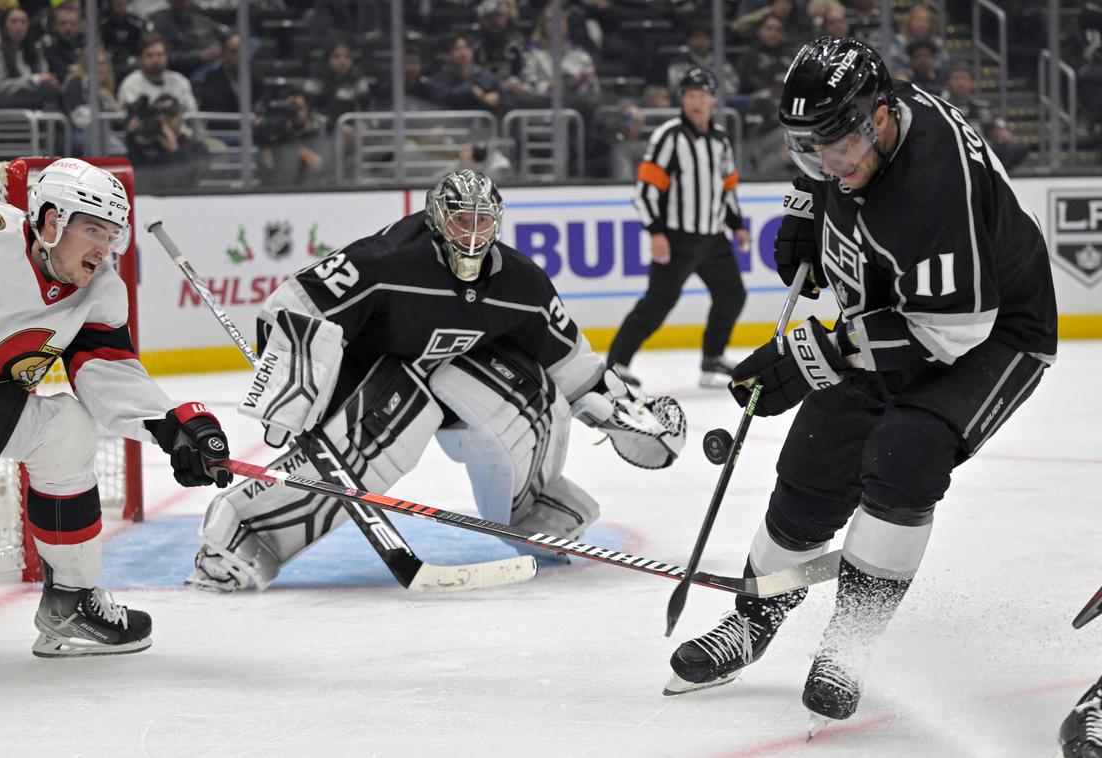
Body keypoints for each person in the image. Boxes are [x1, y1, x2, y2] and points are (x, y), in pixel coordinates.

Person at [665, 37, 1056, 731]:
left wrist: (817, 354)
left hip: (991, 333)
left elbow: (949, 332)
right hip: (895, 307)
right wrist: (805, 203)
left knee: (906, 452)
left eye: (834, 147)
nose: (826, 163)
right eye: (805, 148)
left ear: (879, 119)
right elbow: (827, 163)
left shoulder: (934, 189)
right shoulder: (856, 129)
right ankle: (755, 617)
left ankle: (850, 643)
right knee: (815, 452)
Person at [183, 168, 686, 592]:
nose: (471, 234)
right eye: (460, 220)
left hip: (454, 383)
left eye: (482, 221)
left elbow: (573, 365)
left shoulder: (523, 283)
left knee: (537, 395)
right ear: (436, 219)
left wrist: (625, 415)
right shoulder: (385, 261)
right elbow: (294, 308)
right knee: (395, 413)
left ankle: (533, 509)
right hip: (370, 380)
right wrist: (296, 395)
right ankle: (243, 533)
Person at [0, 158, 232, 656]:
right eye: (93, 229)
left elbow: (108, 373)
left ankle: (70, 606)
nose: (104, 248)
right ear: (52, 221)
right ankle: (71, 604)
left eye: (113, 234)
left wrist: (174, 425)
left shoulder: (98, 291)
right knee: (62, 432)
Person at [608, 67, 750, 388]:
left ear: (713, 100)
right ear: (682, 100)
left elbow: (726, 189)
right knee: (658, 303)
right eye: (689, 96)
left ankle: (712, 359)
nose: (696, 102)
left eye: (701, 96)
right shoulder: (669, 137)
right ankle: (617, 363)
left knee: (732, 295)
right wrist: (656, 232)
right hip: (677, 238)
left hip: (713, 238)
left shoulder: (721, 141)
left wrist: (737, 226)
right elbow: (646, 190)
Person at [0, 6, 62, 110]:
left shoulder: (34, 50)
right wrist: (33, 80)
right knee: (46, 94)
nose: (19, 26)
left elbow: (43, 75)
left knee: (54, 91)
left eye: (23, 22)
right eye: (13, 22)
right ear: (4, 25)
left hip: (28, 98)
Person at [124, 93, 210, 193]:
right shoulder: (146, 147)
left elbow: (192, 180)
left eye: (169, 116)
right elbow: (134, 177)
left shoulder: (196, 148)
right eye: (158, 117)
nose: (163, 121)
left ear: (180, 118)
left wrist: (175, 151)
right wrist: (133, 140)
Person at [116, 33, 198, 113]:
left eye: (160, 55)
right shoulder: (130, 84)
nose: (155, 60)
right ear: (139, 59)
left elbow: (193, 115)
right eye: (150, 55)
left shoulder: (180, 81)